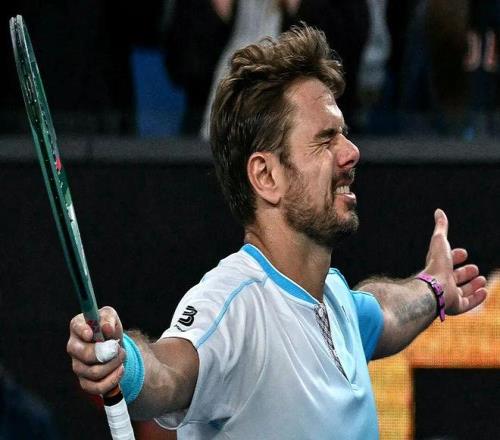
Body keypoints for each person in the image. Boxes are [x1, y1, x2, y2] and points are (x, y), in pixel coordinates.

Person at [67, 25, 488, 439]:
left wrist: (435, 287)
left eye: (343, 134)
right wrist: (126, 363)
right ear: (266, 176)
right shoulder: (234, 309)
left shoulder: (335, 301)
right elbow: (170, 371)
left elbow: (387, 312)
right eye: (325, 140)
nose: (351, 152)